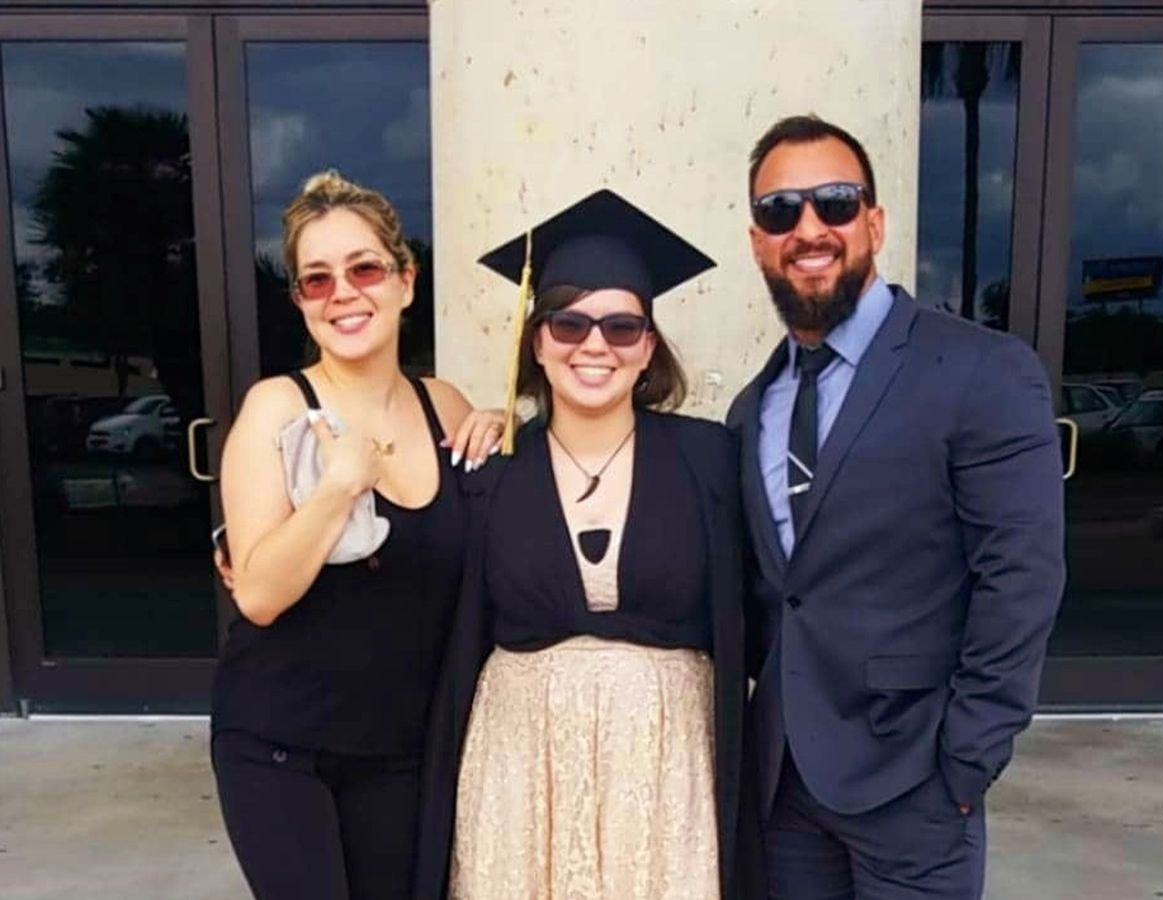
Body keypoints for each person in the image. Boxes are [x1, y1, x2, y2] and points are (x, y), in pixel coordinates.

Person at [726, 115, 1065, 899]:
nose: (809, 228)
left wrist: (968, 757)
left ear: (874, 223)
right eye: (781, 211)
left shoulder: (981, 371)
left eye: (836, 203)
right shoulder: (754, 408)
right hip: (786, 788)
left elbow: (1021, 578)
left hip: (916, 783)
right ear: (758, 242)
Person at [414, 189, 761, 900]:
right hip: (521, 775)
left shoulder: (711, 461)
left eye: (622, 327)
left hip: (668, 773)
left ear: (648, 348)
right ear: (537, 342)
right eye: (568, 323)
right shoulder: (492, 473)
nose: (594, 345)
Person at [210, 170, 502, 900]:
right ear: (301, 302)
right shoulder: (279, 408)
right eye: (317, 279)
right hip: (281, 748)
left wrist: (506, 427)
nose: (342, 293)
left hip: (402, 753)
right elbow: (258, 595)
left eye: (364, 269)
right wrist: (338, 487)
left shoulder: (445, 406)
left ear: (406, 280)